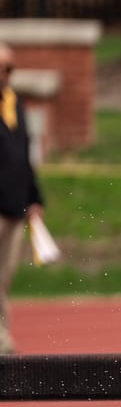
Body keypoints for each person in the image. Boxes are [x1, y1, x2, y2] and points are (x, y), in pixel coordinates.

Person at [0, 42, 45, 354]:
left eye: (9, 68)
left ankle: (2, 334)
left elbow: (23, 155)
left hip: (14, 205)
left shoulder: (14, 102)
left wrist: (34, 197)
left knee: (4, 278)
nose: (5, 74)